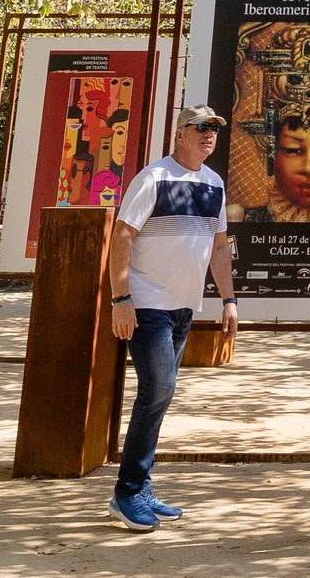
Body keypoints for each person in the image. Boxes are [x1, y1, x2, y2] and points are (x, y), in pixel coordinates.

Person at [106, 104, 239, 532]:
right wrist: (120, 299)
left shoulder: (214, 184)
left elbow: (219, 247)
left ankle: (142, 487)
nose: (209, 134)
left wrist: (229, 300)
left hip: (183, 307)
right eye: (200, 127)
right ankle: (126, 494)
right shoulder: (154, 178)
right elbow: (123, 235)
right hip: (147, 303)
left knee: (160, 396)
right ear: (179, 133)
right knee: (158, 389)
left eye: (215, 128)